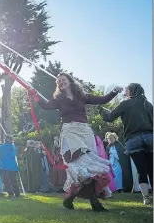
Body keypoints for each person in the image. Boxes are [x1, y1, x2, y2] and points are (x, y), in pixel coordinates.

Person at [32, 72, 121, 211]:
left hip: (85, 132)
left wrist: (114, 92)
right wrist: (35, 96)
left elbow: (102, 100)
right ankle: (94, 202)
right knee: (78, 165)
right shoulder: (59, 99)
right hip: (69, 132)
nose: (61, 82)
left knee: (89, 166)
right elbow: (46, 106)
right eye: (58, 81)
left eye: (63, 80)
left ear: (69, 81)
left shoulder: (82, 96)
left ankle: (70, 199)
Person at [100, 83, 153, 205]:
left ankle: (146, 198)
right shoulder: (149, 105)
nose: (126, 92)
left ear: (131, 91)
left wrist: (101, 110)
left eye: (127, 90)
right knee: (152, 168)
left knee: (141, 170)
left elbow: (109, 117)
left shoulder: (125, 103)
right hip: (150, 137)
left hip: (133, 139)